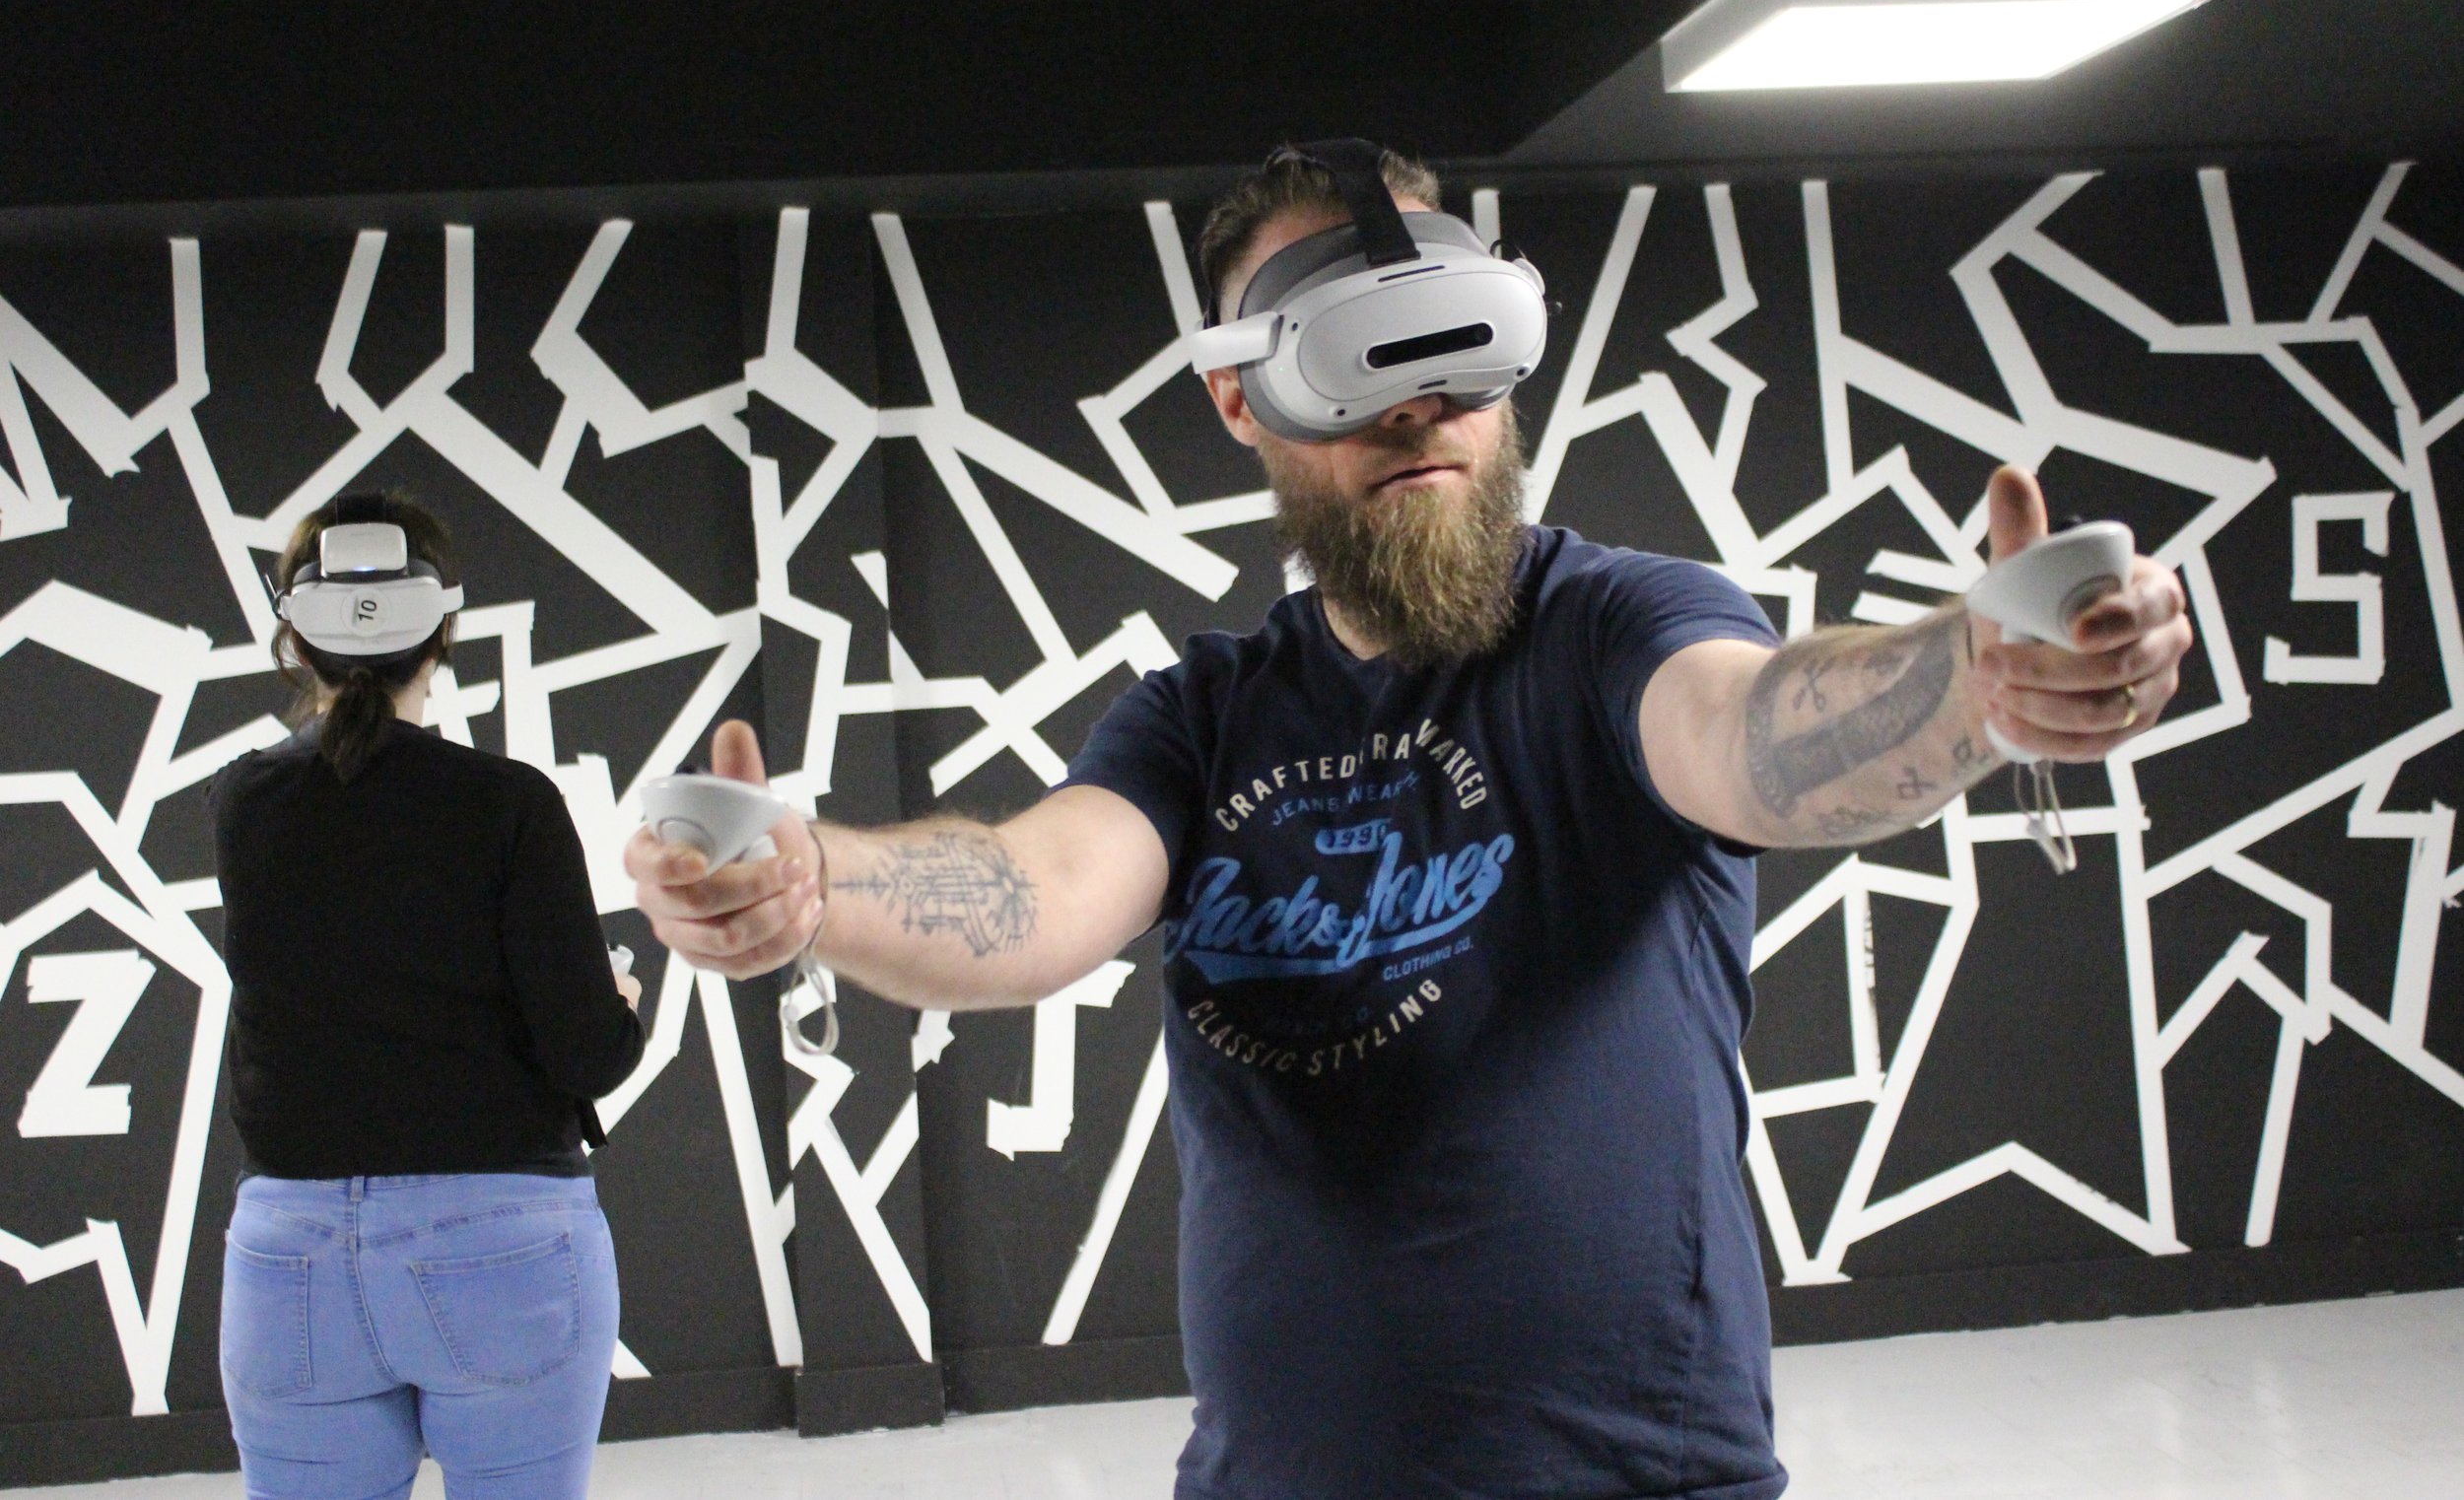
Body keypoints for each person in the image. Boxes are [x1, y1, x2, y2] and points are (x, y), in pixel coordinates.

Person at [625, 146, 2195, 1499]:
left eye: (1457, 351)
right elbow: (1037, 892)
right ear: (1241, 397)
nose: (1421, 409)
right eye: (1353, 367)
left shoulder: (1616, 629)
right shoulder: (1201, 715)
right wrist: (818, 876)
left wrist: (1970, 681)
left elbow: (1752, 731)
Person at [213, 491, 647, 1500]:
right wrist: (619, 995)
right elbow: (590, 1055)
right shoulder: (510, 803)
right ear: (444, 631)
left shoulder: (243, 802)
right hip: (501, 1245)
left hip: (291, 1258)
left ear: (293, 635)